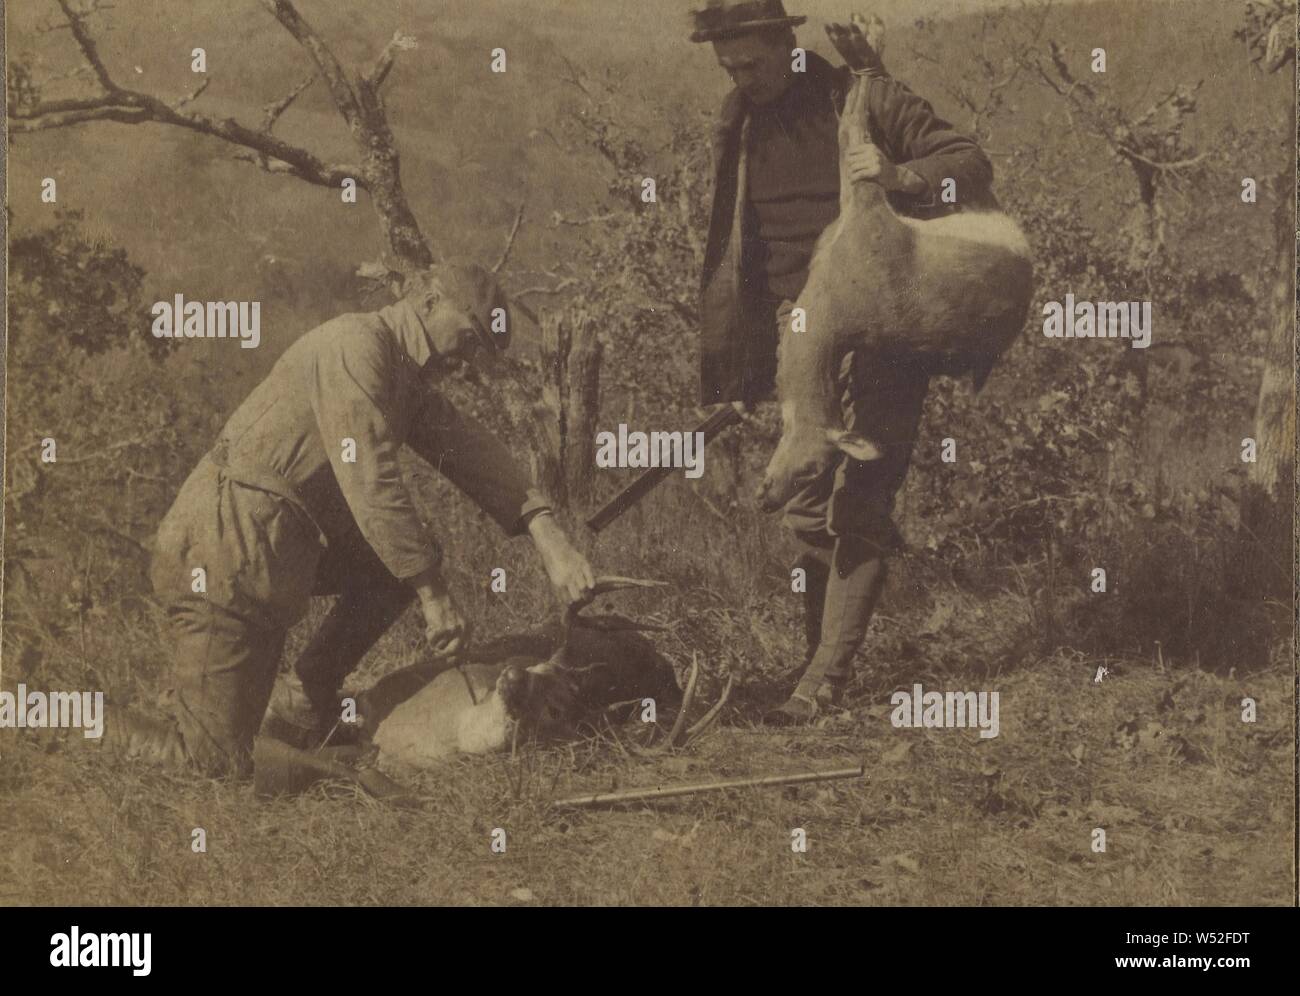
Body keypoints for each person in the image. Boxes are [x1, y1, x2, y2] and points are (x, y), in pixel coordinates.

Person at [119, 264, 595, 775]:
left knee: (395, 568)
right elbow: (371, 482)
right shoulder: (355, 345)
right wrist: (434, 597)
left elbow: (471, 452)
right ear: (430, 302)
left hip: (268, 552)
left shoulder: (400, 378)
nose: (467, 359)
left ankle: (306, 700)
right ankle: (68, 722)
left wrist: (548, 534)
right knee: (209, 764)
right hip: (220, 554)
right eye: (469, 336)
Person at [689, 1, 995, 721]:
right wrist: (745, 369)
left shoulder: (861, 96)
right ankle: (814, 662)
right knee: (802, 503)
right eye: (728, 66)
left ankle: (824, 678)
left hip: (886, 325)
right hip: (804, 336)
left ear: (786, 43)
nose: (742, 77)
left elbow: (969, 165)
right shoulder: (739, 122)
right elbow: (747, 255)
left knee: (862, 495)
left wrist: (900, 176)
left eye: (752, 63)